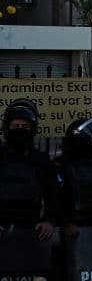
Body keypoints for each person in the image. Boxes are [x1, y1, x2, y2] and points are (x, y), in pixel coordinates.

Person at [0, 99, 59, 241]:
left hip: (32, 229)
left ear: (32, 129)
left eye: (24, 126)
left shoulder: (41, 160)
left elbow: (53, 195)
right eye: (16, 126)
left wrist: (49, 221)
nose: (20, 129)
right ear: (8, 127)